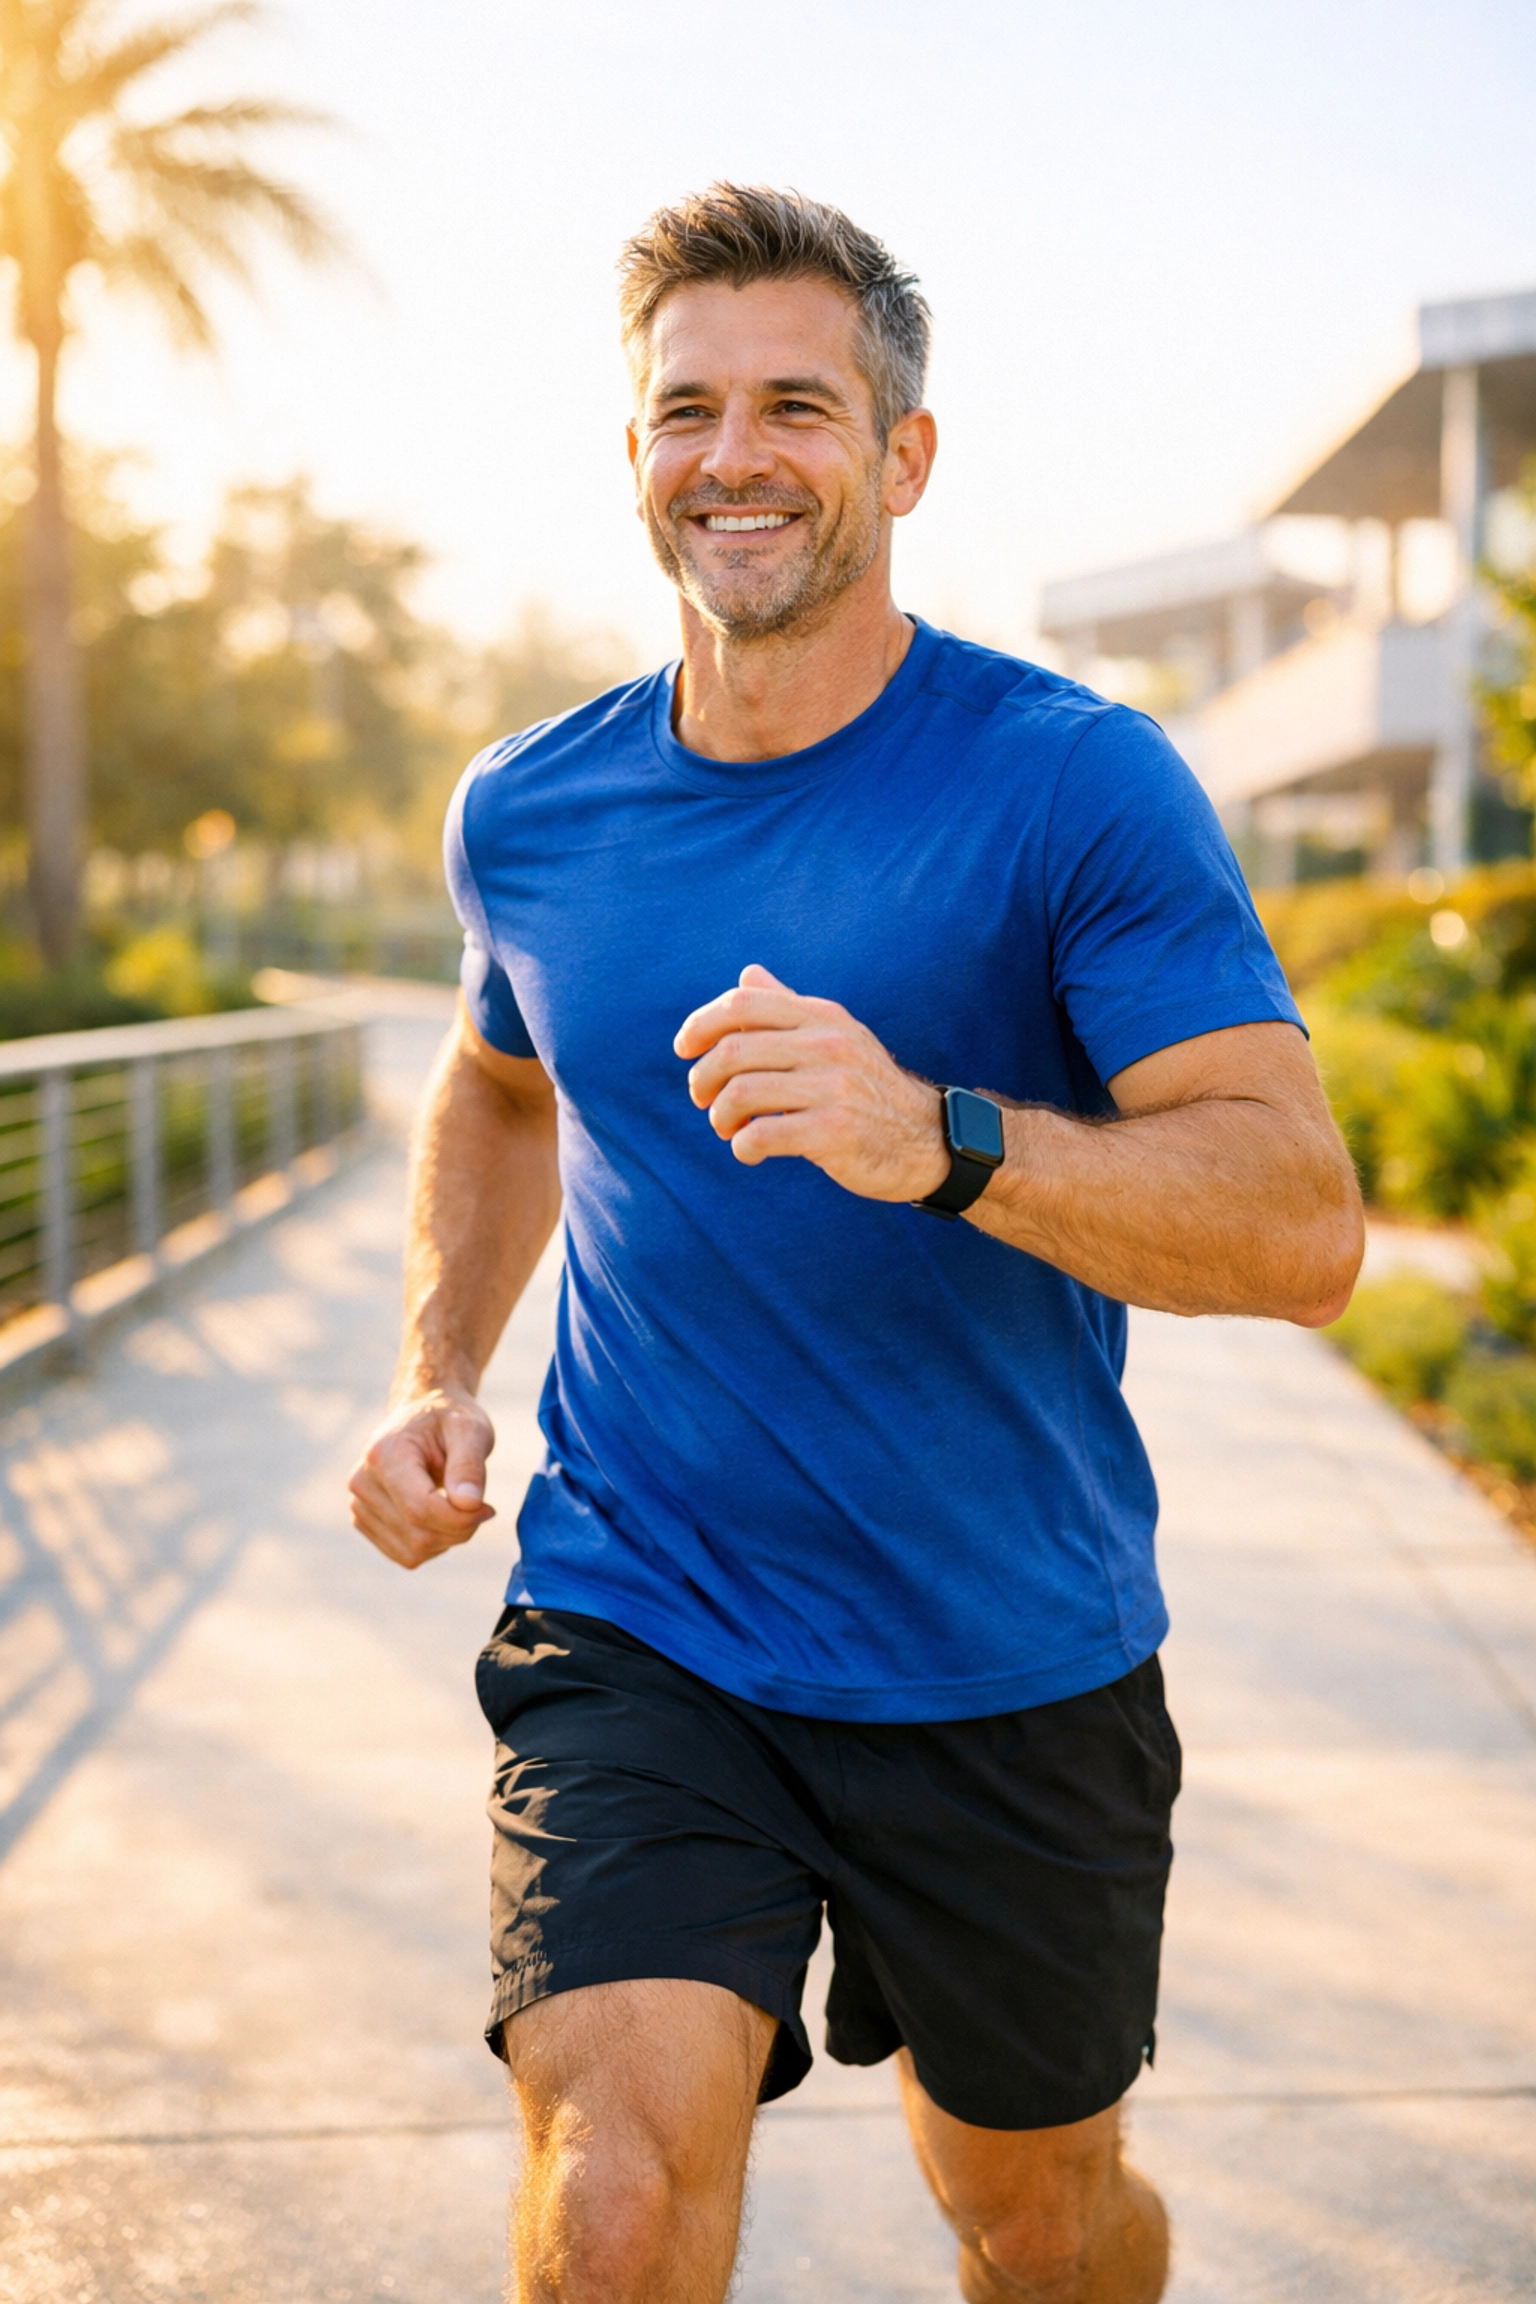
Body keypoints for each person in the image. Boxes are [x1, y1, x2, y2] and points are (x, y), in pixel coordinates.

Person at [349, 183, 1363, 2304]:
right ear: (635, 453)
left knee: (1040, 2226)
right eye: (686, 409)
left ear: (903, 456)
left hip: (1005, 1652)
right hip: (644, 1616)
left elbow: (1299, 1224)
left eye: (795, 406)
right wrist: (437, 1367)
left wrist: (943, 1140)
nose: (734, 455)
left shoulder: (1075, 787)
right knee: (612, 2215)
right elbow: (506, 1080)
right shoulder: (528, 810)